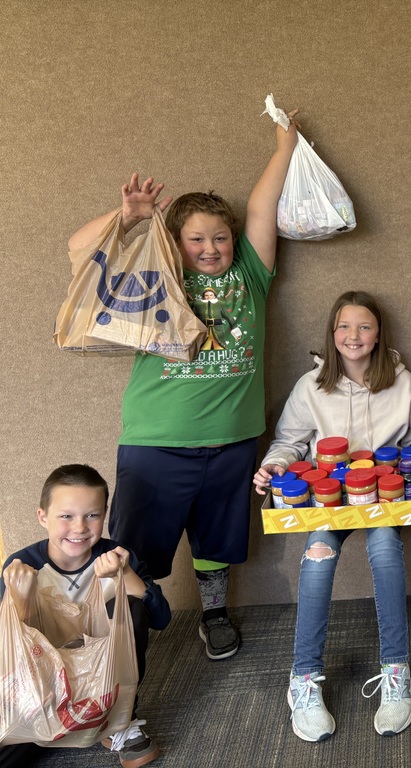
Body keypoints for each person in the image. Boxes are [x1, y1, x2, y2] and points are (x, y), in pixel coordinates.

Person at [66, 106, 299, 662]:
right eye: (197, 240)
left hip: (234, 438)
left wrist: (284, 146)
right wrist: (127, 217)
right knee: (131, 549)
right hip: (155, 440)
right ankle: (123, 632)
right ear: (176, 242)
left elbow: (263, 207)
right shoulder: (157, 275)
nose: (211, 249)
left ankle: (214, 613)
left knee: (217, 539)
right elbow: (80, 250)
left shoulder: (250, 272)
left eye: (219, 238)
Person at [253, 291, 411, 742]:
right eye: (344, 327)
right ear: (332, 334)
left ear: (378, 333)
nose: (354, 336)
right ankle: (303, 678)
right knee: (318, 558)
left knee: (385, 552)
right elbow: (289, 441)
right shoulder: (312, 386)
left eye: (364, 326)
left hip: (382, 498)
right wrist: (274, 467)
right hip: (325, 500)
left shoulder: (402, 383)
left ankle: (396, 671)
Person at [0, 465, 171, 768]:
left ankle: (122, 719)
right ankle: (60, 721)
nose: (79, 527)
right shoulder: (22, 565)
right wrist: (21, 601)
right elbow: (10, 646)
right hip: (45, 681)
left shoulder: (118, 555)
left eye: (92, 515)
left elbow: (160, 619)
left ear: (104, 516)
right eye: (66, 516)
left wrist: (126, 574)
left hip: (103, 676)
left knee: (129, 606)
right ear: (43, 517)